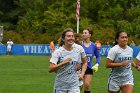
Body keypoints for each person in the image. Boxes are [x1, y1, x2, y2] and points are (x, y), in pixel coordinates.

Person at [48, 28, 87, 93]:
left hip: (74, 85)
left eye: (72, 36)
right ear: (63, 39)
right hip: (60, 86)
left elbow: (85, 62)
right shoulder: (58, 52)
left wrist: (82, 74)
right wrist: (63, 63)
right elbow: (50, 69)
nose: (71, 38)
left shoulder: (78, 49)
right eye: (68, 36)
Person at [82, 28, 100, 93]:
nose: (83, 34)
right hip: (78, 68)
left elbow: (98, 56)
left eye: (85, 33)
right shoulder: (79, 45)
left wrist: (97, 64)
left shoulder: (93, 46)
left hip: (88, 68)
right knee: (79, 86)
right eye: (83, 33)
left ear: (90, 35)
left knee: (87, 85)